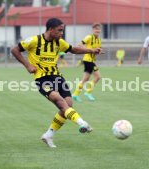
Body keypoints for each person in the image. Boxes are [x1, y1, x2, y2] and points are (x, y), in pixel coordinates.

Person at [11, 18, 102, 148]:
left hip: (57, 77)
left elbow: (73, 49)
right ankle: (82, 123)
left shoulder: (59, 42)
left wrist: (92, 50)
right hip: (42, 79)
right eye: (59, 30)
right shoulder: (34, 41)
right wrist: (28, 66)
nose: (61, 33)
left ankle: (48, 135)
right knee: (60, 101)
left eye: (62, 31)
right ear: (51, 29)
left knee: (68, 104)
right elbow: (15, 50)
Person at [72, 23, 102, 101]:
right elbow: (79, 45)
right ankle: (88, 92)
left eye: (98, 29)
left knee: (86, 79)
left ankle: (75, 94)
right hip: (88, 60)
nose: (97, 30)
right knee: (97, 77)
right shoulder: (89, 37)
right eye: (95, 29)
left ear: (100, 30)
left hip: (92, 60)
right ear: (93, 30)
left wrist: (99, 51)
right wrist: (88, 50)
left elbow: (97, 49)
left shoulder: (99, 40)